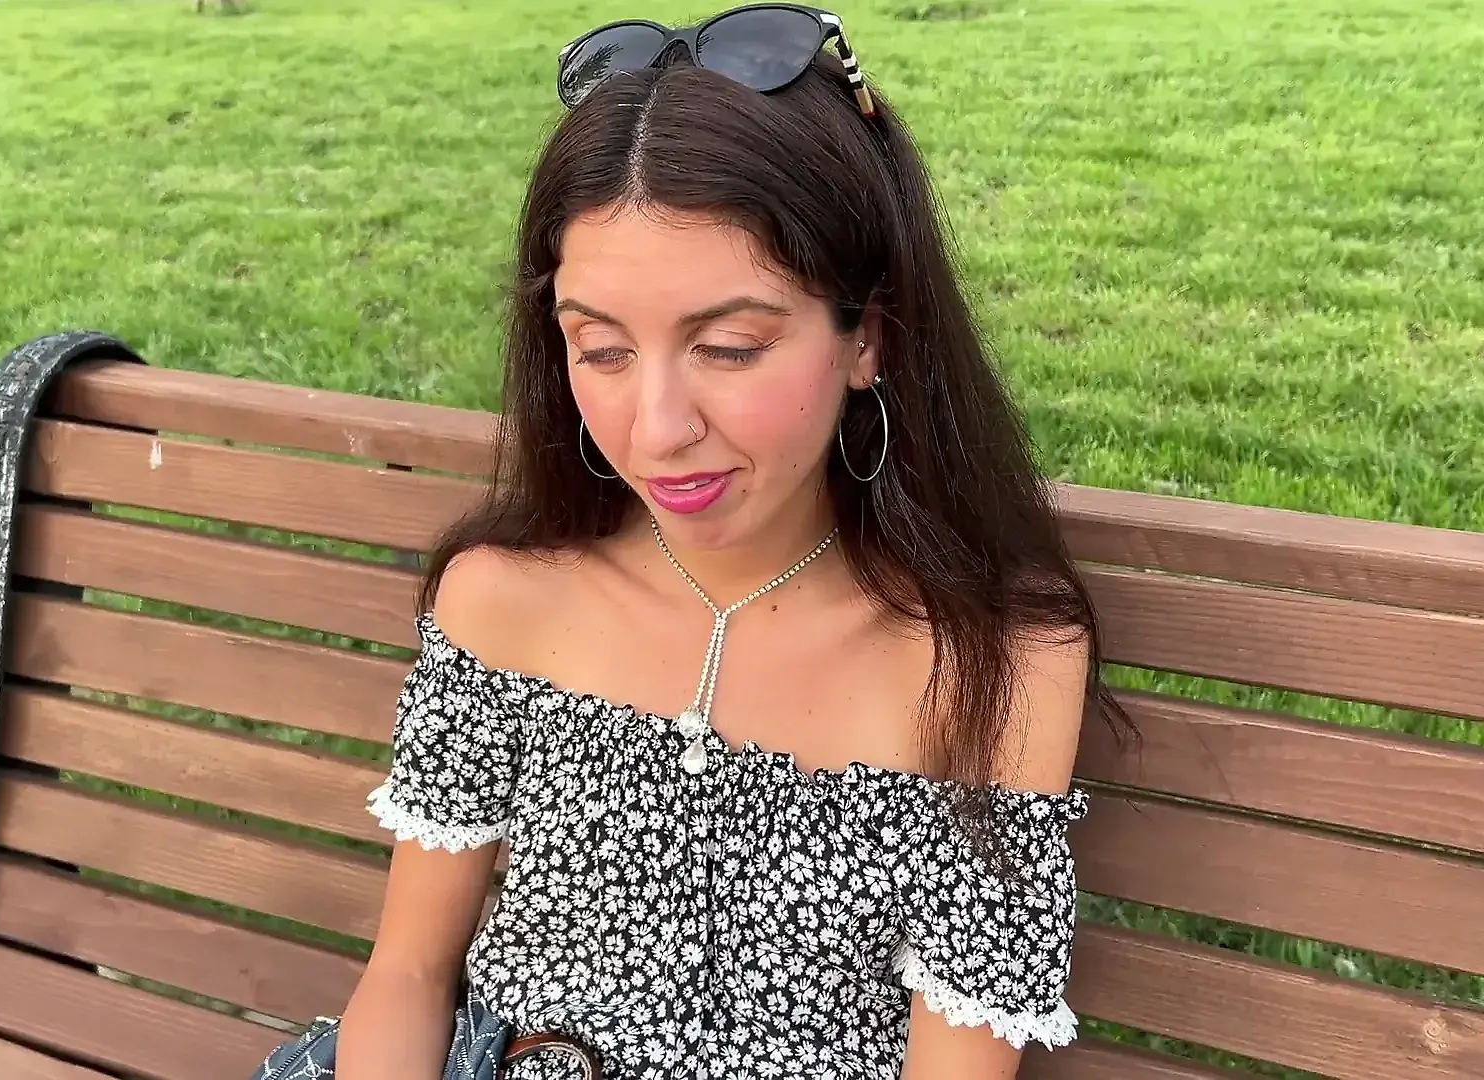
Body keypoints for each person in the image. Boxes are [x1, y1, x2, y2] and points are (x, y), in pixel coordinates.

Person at [330, 5, 1132, 1077]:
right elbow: (408, 977)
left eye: (731, 347)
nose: (657, 430)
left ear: (868, 337)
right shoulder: (500, 600)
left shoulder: (994, 663)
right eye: (601, 350)